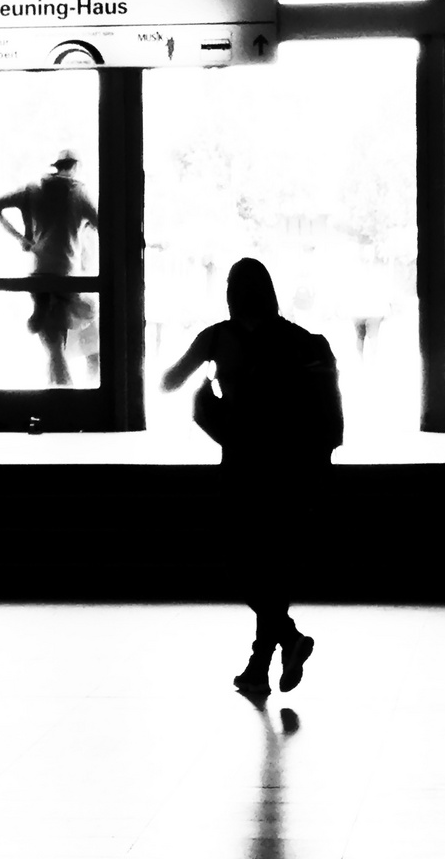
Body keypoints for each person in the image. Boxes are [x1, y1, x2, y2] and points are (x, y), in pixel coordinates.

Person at [160, 258, 343, 696]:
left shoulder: (217, 337)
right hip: (294, 470)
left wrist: (209, 381)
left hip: (244, 465)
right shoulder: (301, 341)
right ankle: (260, 666)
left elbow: (168, 381)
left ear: (231, 292)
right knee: (274, 564)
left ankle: (289, 637)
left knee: (241, 563)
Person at [0, 149, 101, 385]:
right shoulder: (78, 191)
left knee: (53, 345)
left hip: (38, 271)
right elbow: (103, 224)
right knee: (74, 329)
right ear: (76, 166)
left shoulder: (33, 188)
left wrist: (21, 237)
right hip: (66, 273)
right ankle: (67, 397)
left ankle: (59, 392)